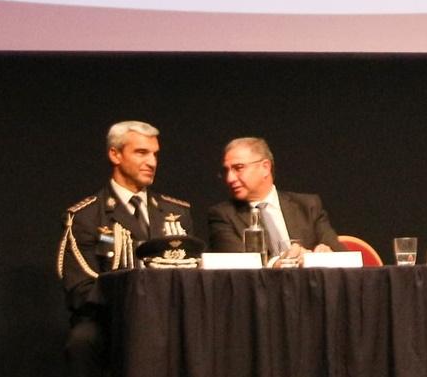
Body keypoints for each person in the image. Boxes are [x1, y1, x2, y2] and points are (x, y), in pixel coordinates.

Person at [59, 121, 195, 377]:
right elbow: (81, 288)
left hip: (170, 316)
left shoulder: (177, 213)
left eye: (155, 154)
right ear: (115, 154)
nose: (152, 162)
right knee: (82, 340)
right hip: (112, 318)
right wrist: (135, 306)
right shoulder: (86, 216)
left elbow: (192, 270)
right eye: (141, 153)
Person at [204, 137, 341, 263]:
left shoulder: (307, 205)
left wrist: (324, 254)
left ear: (265, 167)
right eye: (226, 171)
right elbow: (238, 267)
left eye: (238, 168)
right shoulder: (223, 215)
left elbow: (341, 254)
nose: (230, 178)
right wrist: (279, 263)